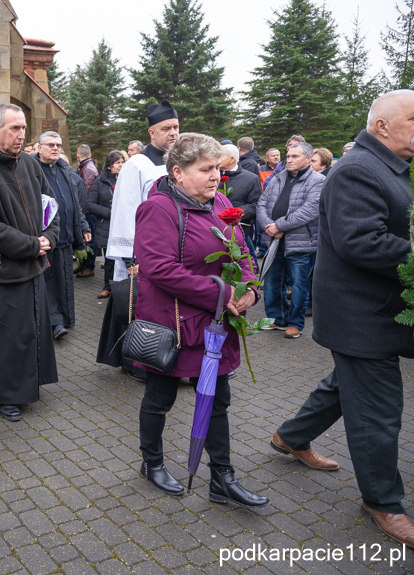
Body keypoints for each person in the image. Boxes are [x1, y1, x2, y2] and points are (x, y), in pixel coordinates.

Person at [270, 90, 414, 544]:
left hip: (377, 311)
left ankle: (291, 436)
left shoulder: (386, 166)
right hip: (361, 316)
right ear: (382, 126)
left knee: (344, 386)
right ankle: (382, 502)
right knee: (377, 412)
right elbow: (362, 243)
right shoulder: (357, 170)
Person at [134, 132, 268, 507]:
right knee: (159, 399)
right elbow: (159, 269)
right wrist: (224, 295)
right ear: (178, 172)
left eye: (218, 169)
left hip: (215, 326)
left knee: (217, 401)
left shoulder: (220, 202)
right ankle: (152, 463)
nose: (215, 177)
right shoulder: (158, 208)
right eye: (206, 169)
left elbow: (241, 251)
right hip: (173, 325)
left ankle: (221, 479)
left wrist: (250, 289)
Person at [0, 103, 59, 422]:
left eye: (23, 128)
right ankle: (6, 394)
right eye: (14, 128)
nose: (21, 135)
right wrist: (33, 245)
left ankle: (29, 383)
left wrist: (50, 238)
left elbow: (50, 207)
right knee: (4, 338)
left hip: (31, 268)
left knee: (30, 332)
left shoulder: (30, 165)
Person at [100, 100, 180, 380]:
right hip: (143, 252)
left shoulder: (179, 162)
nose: (173, 133)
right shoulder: (137, 164)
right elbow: (125, 209)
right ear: (151, 133)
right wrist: (130, 256)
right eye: (166, 128)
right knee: (139, 305)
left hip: (172, 251)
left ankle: (167, 357)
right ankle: (137, 361)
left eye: (176, 127)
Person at [256, 141, 324, 339]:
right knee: (271, 282)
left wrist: (280, 226)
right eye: (289, 155)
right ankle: (278, 319)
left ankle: (295, 323)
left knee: (299, 286)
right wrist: (269, 226)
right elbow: (261, 203)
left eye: (295, 156)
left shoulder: (318, 181)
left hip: (301, 243)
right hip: (274, 241)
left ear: (309, 159)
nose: (289, 159)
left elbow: (309, 210)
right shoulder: (278, 178)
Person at [35, 131, 91, 339]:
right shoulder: (33, 170)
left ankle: (64, 319)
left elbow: (74, 204)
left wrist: (83, 228)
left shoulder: (65, 171)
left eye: (58, 145)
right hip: (45, 238)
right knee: (49, 283)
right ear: (39, 148)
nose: (55, 148)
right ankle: (54, 322)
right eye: (50, 145)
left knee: (65, 281)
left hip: (66, 237)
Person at [86, 150, 125, 298]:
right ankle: (107, 286)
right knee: (110, 258)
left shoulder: (127, 179)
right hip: (107, 224)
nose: (121, 165)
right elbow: (89, 204)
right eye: (118, 163)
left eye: (122, 162)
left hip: (124, 224)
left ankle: (124, 286)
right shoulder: (100, 181)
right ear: (109, 166)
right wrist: (109, 213)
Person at [218, 143, 262, 262]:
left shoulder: (251, 179)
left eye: (220, 156)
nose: (217, 159)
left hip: (239, 229)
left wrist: (234, 214)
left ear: (232, 158)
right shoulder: (212, 176)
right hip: (215, 229)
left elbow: (256, 205)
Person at [74, 144, 99, 278]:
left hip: (88, 212)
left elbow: (86, 193)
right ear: (90, 155)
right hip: (86, 212)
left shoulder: (87, 169)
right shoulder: (85, 167)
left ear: (78, 156)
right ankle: (83, 264)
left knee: (90, 239)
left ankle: (89, 267)